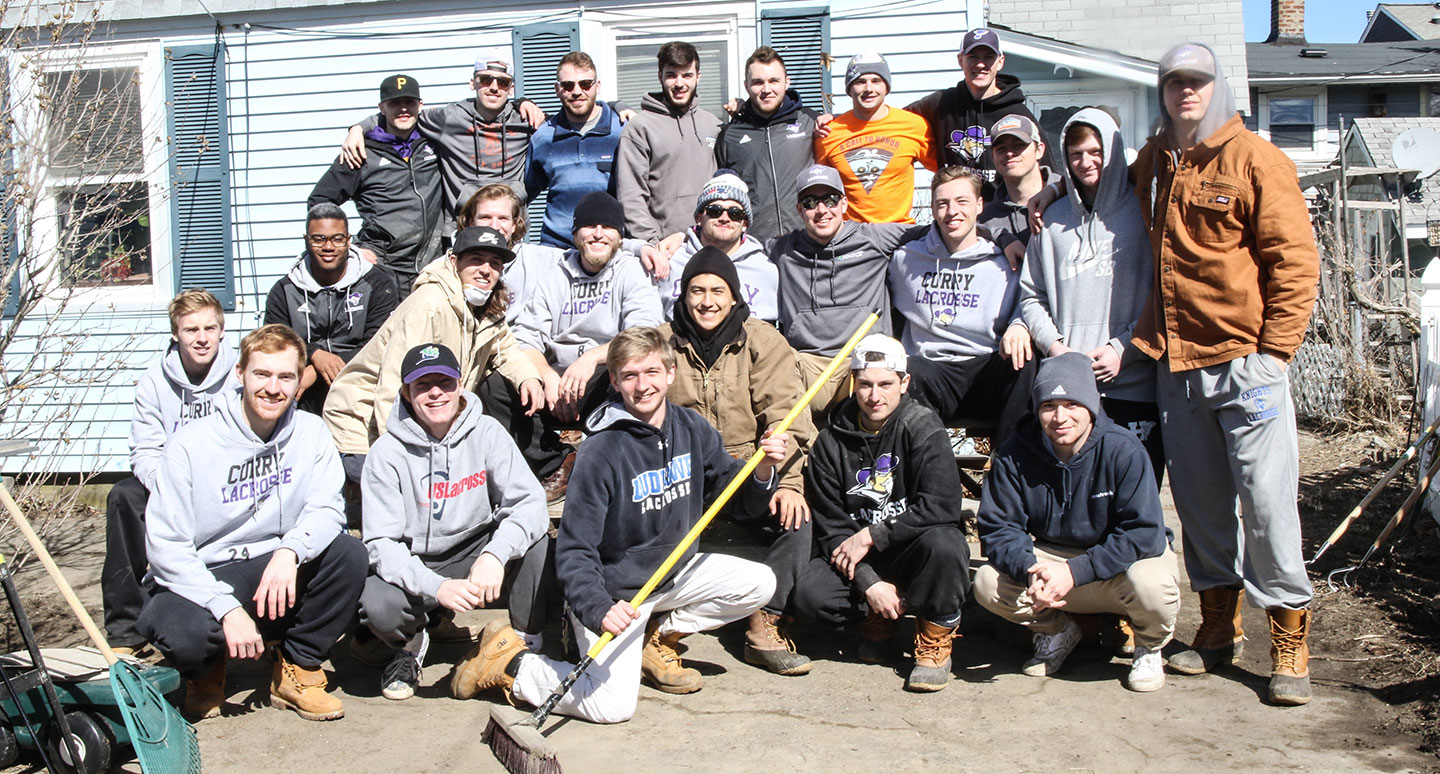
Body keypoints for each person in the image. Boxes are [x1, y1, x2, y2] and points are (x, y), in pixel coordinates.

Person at [448, 326, 789, 723]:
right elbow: (576, 550)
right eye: (629, 375)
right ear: (614, 381)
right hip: (615, 595)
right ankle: (511, 663)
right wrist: (598, 609)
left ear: (670, 373)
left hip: (670, 578)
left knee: (760, 582)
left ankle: (654, 636)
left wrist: (763, 469)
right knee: (612, 707)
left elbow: (738, 501)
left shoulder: (691, 429)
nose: (642, 386)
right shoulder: (601, 451)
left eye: (651, 373)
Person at [1131, 44, 1320, 706]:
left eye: (1197, 81)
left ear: (1219, 86)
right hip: (1177, 368)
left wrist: (1275, 353)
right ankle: (1217, 627)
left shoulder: (1256, 160)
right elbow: (1107, 201)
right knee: (1203, 507)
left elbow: (1294, 262)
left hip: (1247, 366)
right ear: (1162, 90)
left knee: (1267, 508)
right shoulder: (1155, 162)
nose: (1186, 91)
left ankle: (1289, 638)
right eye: (1174, 81)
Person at [136, 325, 368, 722]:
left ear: (299, 382)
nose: (273, 388)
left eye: (285, 377)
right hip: (206, 571)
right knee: (184, 633)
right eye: (262, 374)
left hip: (274, 565)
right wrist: (225, 608)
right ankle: (206, 673)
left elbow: (328, 508)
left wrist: (290, 550)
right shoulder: (191, 445)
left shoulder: (311, 432)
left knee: (349, 555)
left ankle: (297, 667)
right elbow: (165, 547)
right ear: (240, 373)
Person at [357, 343, 552, 701]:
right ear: (406, 392)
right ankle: (411, 643)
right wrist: (436, 587)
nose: (435, 393)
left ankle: (522, 642)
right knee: (379, 604)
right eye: (422, 385)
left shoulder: (488, 432)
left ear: (460, 384)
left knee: (535, 537)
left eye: (444, 382)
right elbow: (381, 544)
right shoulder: (386, 454)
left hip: (475, 547)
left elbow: (529, 502)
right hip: (419, 558)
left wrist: (494, 555)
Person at [974, 353, 1179, 692]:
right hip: (1052, 564)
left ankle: (1150, 644)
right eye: (1049, 405)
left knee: (1152, 584)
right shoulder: (1014, 453)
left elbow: (1143, 533)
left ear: (1091, 406)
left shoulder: (1124, 450)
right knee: (986, 583)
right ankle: (1057, 630)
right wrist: (1029, 569)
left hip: (1116, 567)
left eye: (1072, 404)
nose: (1060, 417)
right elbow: (999, 528)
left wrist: (1074, 572)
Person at [659, 247, 815, 675]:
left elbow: (788, 414)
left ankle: (764, 624)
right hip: (683, 475)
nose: (707, 301)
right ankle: (659, 625)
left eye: (717, 290)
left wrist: (789, 482)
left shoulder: (762, 340)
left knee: (796, 520)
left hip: (751, 473)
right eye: (696, 291)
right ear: (683, 296)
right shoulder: (663, 341)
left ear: (734, 296)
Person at [793, 334, 970, 692]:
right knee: (810, 594)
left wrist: (874, 534)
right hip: (859, 558)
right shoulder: (831, 442)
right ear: (853, 385)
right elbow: (832, 529)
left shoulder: (922, 427)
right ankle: (878, 615)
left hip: (908, 547)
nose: (875, 396)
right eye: (866, 385)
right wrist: (868, 582)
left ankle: (936, 630)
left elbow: (942, 505)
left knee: (947, 545)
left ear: (904, 383)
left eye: (886, 384)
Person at [322, 226, 546, 493]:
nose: (486, 269)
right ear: (454, 261)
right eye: (476, 260)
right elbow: (393, 383)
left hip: (425, 416)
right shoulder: (429, 304)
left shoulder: (487, 305)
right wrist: (397, 457)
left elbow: (505, 348)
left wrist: (528, 377)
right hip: (364, 423)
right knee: (400, 498)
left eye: (495, 263)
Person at [1009, 108, 1162, 483]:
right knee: (1078, 496)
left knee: (1134, 495)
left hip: (1133, 384)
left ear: (1112, 151)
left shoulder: (1143, 214)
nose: (1086, 162)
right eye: (1076, 154)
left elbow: (1162, 293)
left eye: (1096, 152)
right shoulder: (1049, 221)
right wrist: (1055, 348)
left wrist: (1126, 348)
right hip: (1070, 389)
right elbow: (1031, 295)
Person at [103, 290, 237, 656]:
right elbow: (145, 449)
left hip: (227, 483)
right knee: (123, 496)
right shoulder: (154, 381)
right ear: (175, 334)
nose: (202, 338)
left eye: (210, 327)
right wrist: (170, 487)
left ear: (222, 331)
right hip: (168, 482)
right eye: (191, 329)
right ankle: (126, 631)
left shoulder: (239, 378)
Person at [889, 167, 1033, 448]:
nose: (951, 211)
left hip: (985, 368)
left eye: (962, 201)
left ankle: (1008, 469)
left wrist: (1020, 324)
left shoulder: (1006, 262)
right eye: (942, 203)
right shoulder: (905, 259)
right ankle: (931, 474)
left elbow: (1031, 301)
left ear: (980, 205)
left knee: (1026, 361)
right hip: (931, 371)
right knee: (905, 370)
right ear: (932, 208)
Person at [769, 164, 926, 421]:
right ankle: (803, 456)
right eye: (810, 202)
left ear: (843, 203)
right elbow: (734, 246)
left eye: (829, 200)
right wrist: (681, 240)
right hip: (807, 363)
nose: (821, 210)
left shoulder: (874, 238)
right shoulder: (783, 249)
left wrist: (1004, 239)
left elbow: (944, 231)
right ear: (799, 209)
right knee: (772, 367)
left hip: (862, 361)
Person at [339, 51, 540, 232]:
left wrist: (525, 102)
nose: (494, 87)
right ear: (473, 83)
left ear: (511, 88)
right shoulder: (449, 118)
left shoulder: (525, 119)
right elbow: (404, 115)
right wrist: (358, 128)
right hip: (461, 227)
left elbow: (560, 129)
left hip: (509, 227)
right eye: (486, 79)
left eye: (503, 82)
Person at [512, 192, 664, 425]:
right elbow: (526, 338)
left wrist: (591, 359)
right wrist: (546, 376)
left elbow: (644, 334)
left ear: (620, 237)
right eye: (590, 225)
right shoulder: (554, 276)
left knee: (628, 373)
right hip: (555, 380)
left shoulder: (632, 271)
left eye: (607, 227)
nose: (598, 234)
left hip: (604, 378)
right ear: (575, 234)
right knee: (498, 386)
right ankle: (552, 457)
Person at [308, 74, 442, 297]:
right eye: (394, 103)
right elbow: (320, 201)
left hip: (431, 266)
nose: (403, 109)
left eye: (408, 102)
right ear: (382, 107)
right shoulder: (360, 152)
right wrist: (350, 248)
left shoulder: (436, 141)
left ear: (420, 105)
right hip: (383, 267)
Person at [265, 203, 399, 414]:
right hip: (301, 398)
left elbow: (380, 345)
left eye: (337, 238)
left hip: (361, 390)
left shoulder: (378, 283)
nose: (328, 247)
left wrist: (318, 370)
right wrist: (314, 354)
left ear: (348, 240)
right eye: (319, 239)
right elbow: (273, 344)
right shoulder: (284, 290)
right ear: (306, 240)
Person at [905, 28, 1055, 189]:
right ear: (960, 60)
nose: (980, 64)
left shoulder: (1018, 115)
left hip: (1001, 211)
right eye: (972, 57)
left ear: (1000, 62)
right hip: (956, 209)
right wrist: (930, 158)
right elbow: (895, 124)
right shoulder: (941, 103)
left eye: (988, 57)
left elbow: (1049, 172)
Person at [615, 41, 721, 242]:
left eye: (687, 75)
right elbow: (631, 197)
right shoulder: (640, 128)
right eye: (671, 75)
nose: (679, 83)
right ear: (660, 76)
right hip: (664, 249)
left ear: (698, 77)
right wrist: (650, 244)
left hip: (711, 244)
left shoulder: (713, 125)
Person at [813, 52, 934, 224]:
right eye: (860, 82)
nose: (868, 89)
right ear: (849, 89)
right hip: (851, 234)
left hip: (899, 233)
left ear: (886, 86)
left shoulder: (914, 126)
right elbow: (820, 186)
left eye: (876, 81)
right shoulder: (829, 133)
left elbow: (944, 173)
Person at [714, 46, 819, 241]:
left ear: (787, 82)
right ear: (746, 86)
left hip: (806, 242)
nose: (766, 89)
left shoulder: (810, 123)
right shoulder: (730, 135)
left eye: (773, 81)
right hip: (754, 245)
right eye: (758, 82)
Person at [524, 52, 624, 249]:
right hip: (557, 249)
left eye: (585, 84)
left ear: (597, 86)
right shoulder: (543, 138)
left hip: (607, 247)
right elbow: (522, 195)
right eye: (568, 86)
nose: (577, 92)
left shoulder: (622, 131)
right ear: (557, 90)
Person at [656, 171, 779, 324]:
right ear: (700, 218)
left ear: (745, 224)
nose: (724, 218)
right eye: (715, 211)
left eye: (735, 213)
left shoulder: (766, 269)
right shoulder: (670, 259)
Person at [978, 115, 1054, 259]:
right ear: (993, 157)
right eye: (1001, 149)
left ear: (1039, 150)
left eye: (1019, 145)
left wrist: (1057, 190)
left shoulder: (1068, 197)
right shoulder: (986, 218)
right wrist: (1001, 236)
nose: (1009, 153)